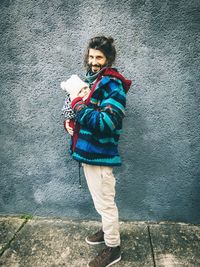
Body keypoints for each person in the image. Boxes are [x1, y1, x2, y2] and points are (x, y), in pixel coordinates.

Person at [64, 36, 131, 267]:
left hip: (100, 155)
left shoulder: (113, 85)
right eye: (91, 56)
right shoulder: (94, 81)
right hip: (90, 153)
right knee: (100, 200)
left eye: (99, 57)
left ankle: (113, 248)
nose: (93, 61)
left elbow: (105, 123)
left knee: (105, 203)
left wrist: (78, 105)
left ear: (108, 59)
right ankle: (106, 230)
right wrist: (72, 123)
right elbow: (88, 115)